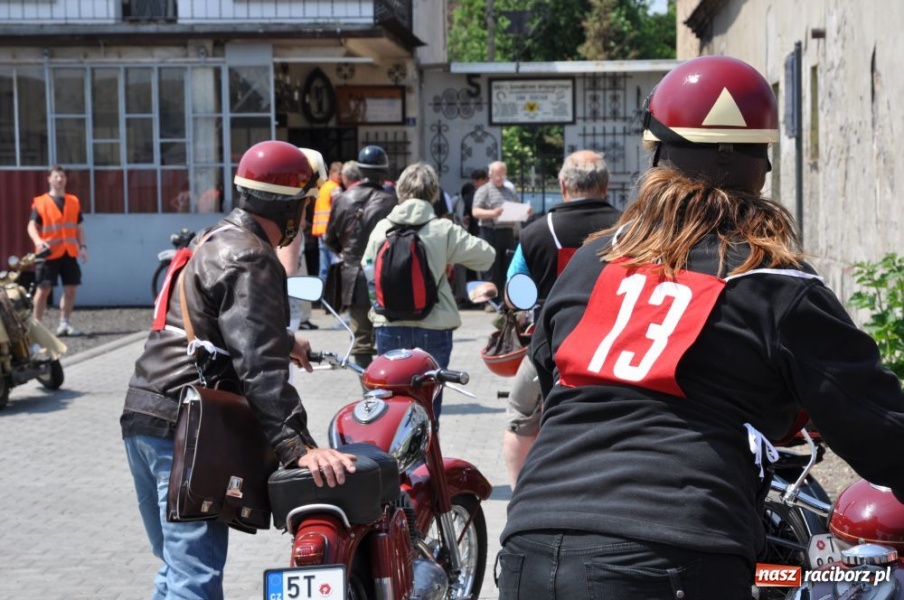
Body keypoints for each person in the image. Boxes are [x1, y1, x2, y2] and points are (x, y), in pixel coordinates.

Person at [497, 55, 904, 599]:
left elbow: (553, 389)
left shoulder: (592, 263)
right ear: (760, 165)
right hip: (672, 553)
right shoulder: (773, 281)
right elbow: (881, 431)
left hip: (530, 548)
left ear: (657, 156)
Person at [121, 140, 357, 599]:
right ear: (290, 207)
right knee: (195, 580)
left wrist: (285, 339)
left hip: (145, 414)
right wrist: (299, 445)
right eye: (305, 205)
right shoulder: (252, 254)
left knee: (174, 570)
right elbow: (260, 368)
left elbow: (212, 319)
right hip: (186, 430)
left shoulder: (210, 237)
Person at [501, 150, 621, 489]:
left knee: (520, 416)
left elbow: (514, 293)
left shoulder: (536, 233)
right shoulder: (634, 228)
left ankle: (521, 495)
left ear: (563, 186)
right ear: (606, 186)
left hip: (551, 348)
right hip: (618, 348)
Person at [362, 162, 495, 419]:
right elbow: (486, 257)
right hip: (435, 324)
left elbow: (367, 267)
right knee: (428, 403)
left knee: (391, 401)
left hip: (388, 323)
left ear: (400, 190)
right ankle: (428, 444)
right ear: (433, 193)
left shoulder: (382, 227)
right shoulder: (443, 229)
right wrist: (445, 257)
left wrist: (379, 300)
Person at [325, 145, 397, 368]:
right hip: (386, 276)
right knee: (390, 335)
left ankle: (368, 386)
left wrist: (348, 251)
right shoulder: (391, 201)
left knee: (361, 341)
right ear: (384, 171)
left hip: (354, 275)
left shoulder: (342, 199)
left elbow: (330, 239)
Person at [27, 165, 88, 336]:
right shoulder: (41, 202)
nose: (60, 179)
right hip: (48, 253)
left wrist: (83, 246)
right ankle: (36, 328)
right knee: (43, 289)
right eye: (56, 176)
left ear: (66, 180)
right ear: (49, 179)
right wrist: (38, 242)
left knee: (71, 288)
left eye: (62, 176)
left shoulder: (73, 201)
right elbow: (31, 226)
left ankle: (64, 324)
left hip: (69, 252)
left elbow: (79, 227)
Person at [277, 148, 327, 331]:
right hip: (284, 313)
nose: (308, 206)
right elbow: (288, 272)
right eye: (306, 202)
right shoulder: (290, 230)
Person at [471, 161, 529, 302]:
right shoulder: (484, 190)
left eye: (503, 174)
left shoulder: (509, 191)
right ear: (491, 174)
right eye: (498, 174)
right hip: (490, 232)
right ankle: (490, 301)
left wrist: (526, 211)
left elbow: (518, 208)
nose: (501, 177)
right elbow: (475, 211)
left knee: (507, 267)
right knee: (491, 268)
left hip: (507, 232)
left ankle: (505, 300)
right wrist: (493, 213)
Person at [311, 161, 343, 281]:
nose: (341, 177)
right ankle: (334, 290)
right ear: (332, 172)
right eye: (339, 174)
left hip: (321, 230)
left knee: (324, 267)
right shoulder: (335, 188)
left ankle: (322, 290)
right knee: (335, 263)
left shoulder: (324, 187)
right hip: (330, 231)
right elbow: (339, 209)